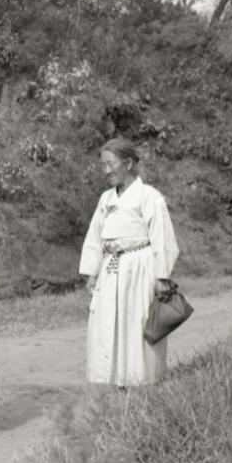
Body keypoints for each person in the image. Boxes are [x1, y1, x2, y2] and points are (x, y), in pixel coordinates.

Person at [79, 137, 179, 388]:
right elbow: (95, 237)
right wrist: (92, 273)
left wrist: (162, 278)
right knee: (107, 323)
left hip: (139, 269)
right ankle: (114, 379)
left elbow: (162, 239)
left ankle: (141, 380)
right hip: (110, 269)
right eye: (103, 165)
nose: (106, 170)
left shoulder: (149, 197)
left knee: (136, 322)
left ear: (129, 163)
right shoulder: (105, 199)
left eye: (111, 164)